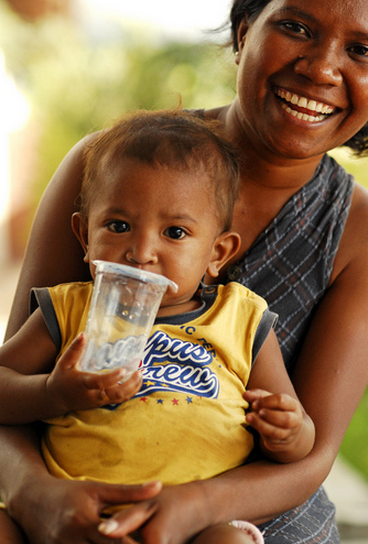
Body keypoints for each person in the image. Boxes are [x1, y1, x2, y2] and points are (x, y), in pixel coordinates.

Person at [1, 0, 368, 542]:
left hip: (240, 518)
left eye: (361, 50)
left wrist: (189, 508)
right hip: (69, 496)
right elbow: (11, 398)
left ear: (221, 251)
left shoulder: (353, 235)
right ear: (245, 31)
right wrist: (37, 496)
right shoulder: (109, 168)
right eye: (295, 27)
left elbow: (308, 454)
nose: (320, 68)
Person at [0, 109, 315, 544]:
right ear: (84, 238)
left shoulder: (241, 318)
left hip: (195, 524)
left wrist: (290, 431)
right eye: (119, 226)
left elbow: (300, 437)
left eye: (175, 232)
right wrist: (52, 392)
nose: (141, 251)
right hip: (72, 511)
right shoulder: (70, 308)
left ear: (217, 254)